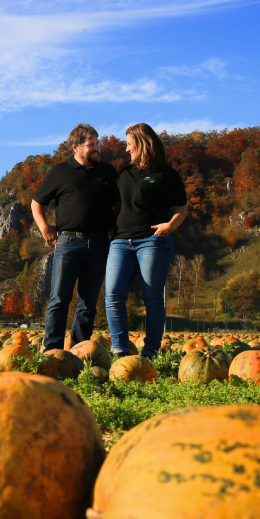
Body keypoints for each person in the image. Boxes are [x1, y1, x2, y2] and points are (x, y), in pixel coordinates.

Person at [31, 124, 119, 351]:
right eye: (91, 145)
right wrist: (45, 228)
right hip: (68, 242)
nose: (96, 148)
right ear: (75, 147)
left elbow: (119, 204)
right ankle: (52, 351)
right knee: (59, 300)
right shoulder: (60, 172)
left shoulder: (108, 172)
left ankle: (79, 352)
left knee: (88, 304)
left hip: (100, 242)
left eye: (97, 143)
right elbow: (37, 202)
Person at [105, 123, 188, 359]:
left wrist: (170, 226)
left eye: (129, 144)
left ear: (142, 144)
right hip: (120, 241)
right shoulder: (124, 173)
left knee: (151, 297)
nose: (126, 149)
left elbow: (182, 209)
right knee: (112, 295)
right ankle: (120, 350)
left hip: (152, 241)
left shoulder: (167, 175)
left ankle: (151, 351)